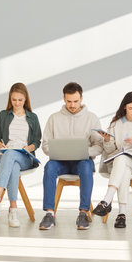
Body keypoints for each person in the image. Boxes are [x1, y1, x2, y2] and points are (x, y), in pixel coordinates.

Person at [39, 82, 102, 230]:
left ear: (81, 98)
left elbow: (99, 145)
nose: (72, 105)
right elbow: (45, 145)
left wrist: (85, 152)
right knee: (49, 167)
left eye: (75, 101)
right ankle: (49, 213)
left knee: (86, 166)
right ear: (64, 99)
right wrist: (56, 152)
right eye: (69, 101)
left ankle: (83, 213)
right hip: (61, 162)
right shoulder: (54, 118)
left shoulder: (91, 118)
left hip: (82, 161)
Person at [0, 83, 42, 227]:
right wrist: (0, 145)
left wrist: (29, 147)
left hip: (24, 157)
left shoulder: (32, 117)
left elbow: (37, 141)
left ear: (25, 99)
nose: (17, 103)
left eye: (20, 100)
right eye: (14, 100)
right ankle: (13, 209)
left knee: (13, 156)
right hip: (3, 157)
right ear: (10, 99)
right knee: (12, 162)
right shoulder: (3, 115)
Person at [93, 92, 132, 228]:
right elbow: (108, 150)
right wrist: (107, 140)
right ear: (125, 107)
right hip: (117, 164)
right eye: (131, 108)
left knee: (123, 160)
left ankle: (107, 200)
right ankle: (122, 214)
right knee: (123, 166)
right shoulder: (115, 124)